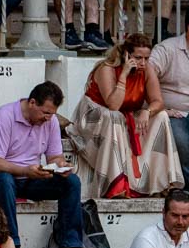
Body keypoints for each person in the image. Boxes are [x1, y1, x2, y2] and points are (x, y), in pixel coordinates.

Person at [0, 82, 94, 248]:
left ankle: (70, 243)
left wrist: (61, 166)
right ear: (32, 103)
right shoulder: (4, 116)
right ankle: (11, 243)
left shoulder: (50, 121)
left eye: (52, 114)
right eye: (45, 113)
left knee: (71, 182)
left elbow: (54, 157)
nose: (48, 118)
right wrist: (25, 171)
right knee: (5, 179)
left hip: (27, 176)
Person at [69, 34, 182, 198]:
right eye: (138, 57)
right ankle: (117, 184)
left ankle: (163, 181)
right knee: (114, 117)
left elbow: (158, 101)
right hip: (96, 118)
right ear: (126, 55)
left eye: (146, 58)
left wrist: (147, 111)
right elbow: (113, 104)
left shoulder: (146, 70)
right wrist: (123, 75)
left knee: (161, 116)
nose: (143, 63)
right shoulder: (106, 68)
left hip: (124, 116)